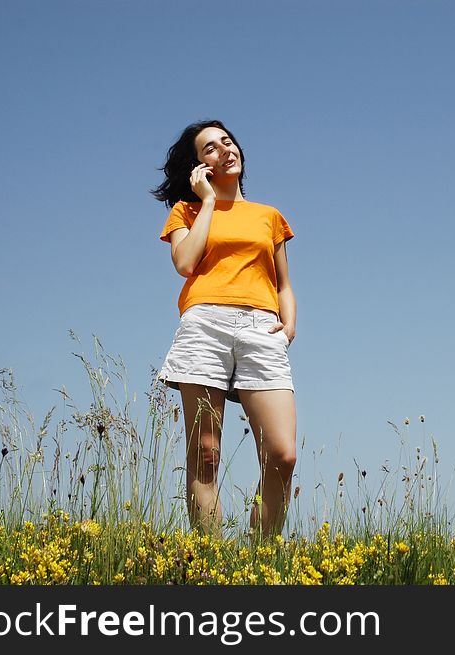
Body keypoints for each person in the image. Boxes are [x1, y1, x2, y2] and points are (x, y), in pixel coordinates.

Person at [150, 119, 297, 539]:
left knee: (282, 455)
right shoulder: (188, 211)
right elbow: (186, 264)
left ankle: (261, 557)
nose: (224, 149)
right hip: (205, 325)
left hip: (261, 329)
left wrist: (287, 327)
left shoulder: (269, 217)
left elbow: (283, 283)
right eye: (210, 148)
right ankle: (212, 566)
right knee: (206, 454)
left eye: (227, 141)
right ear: (199, 167)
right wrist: (209, 202)